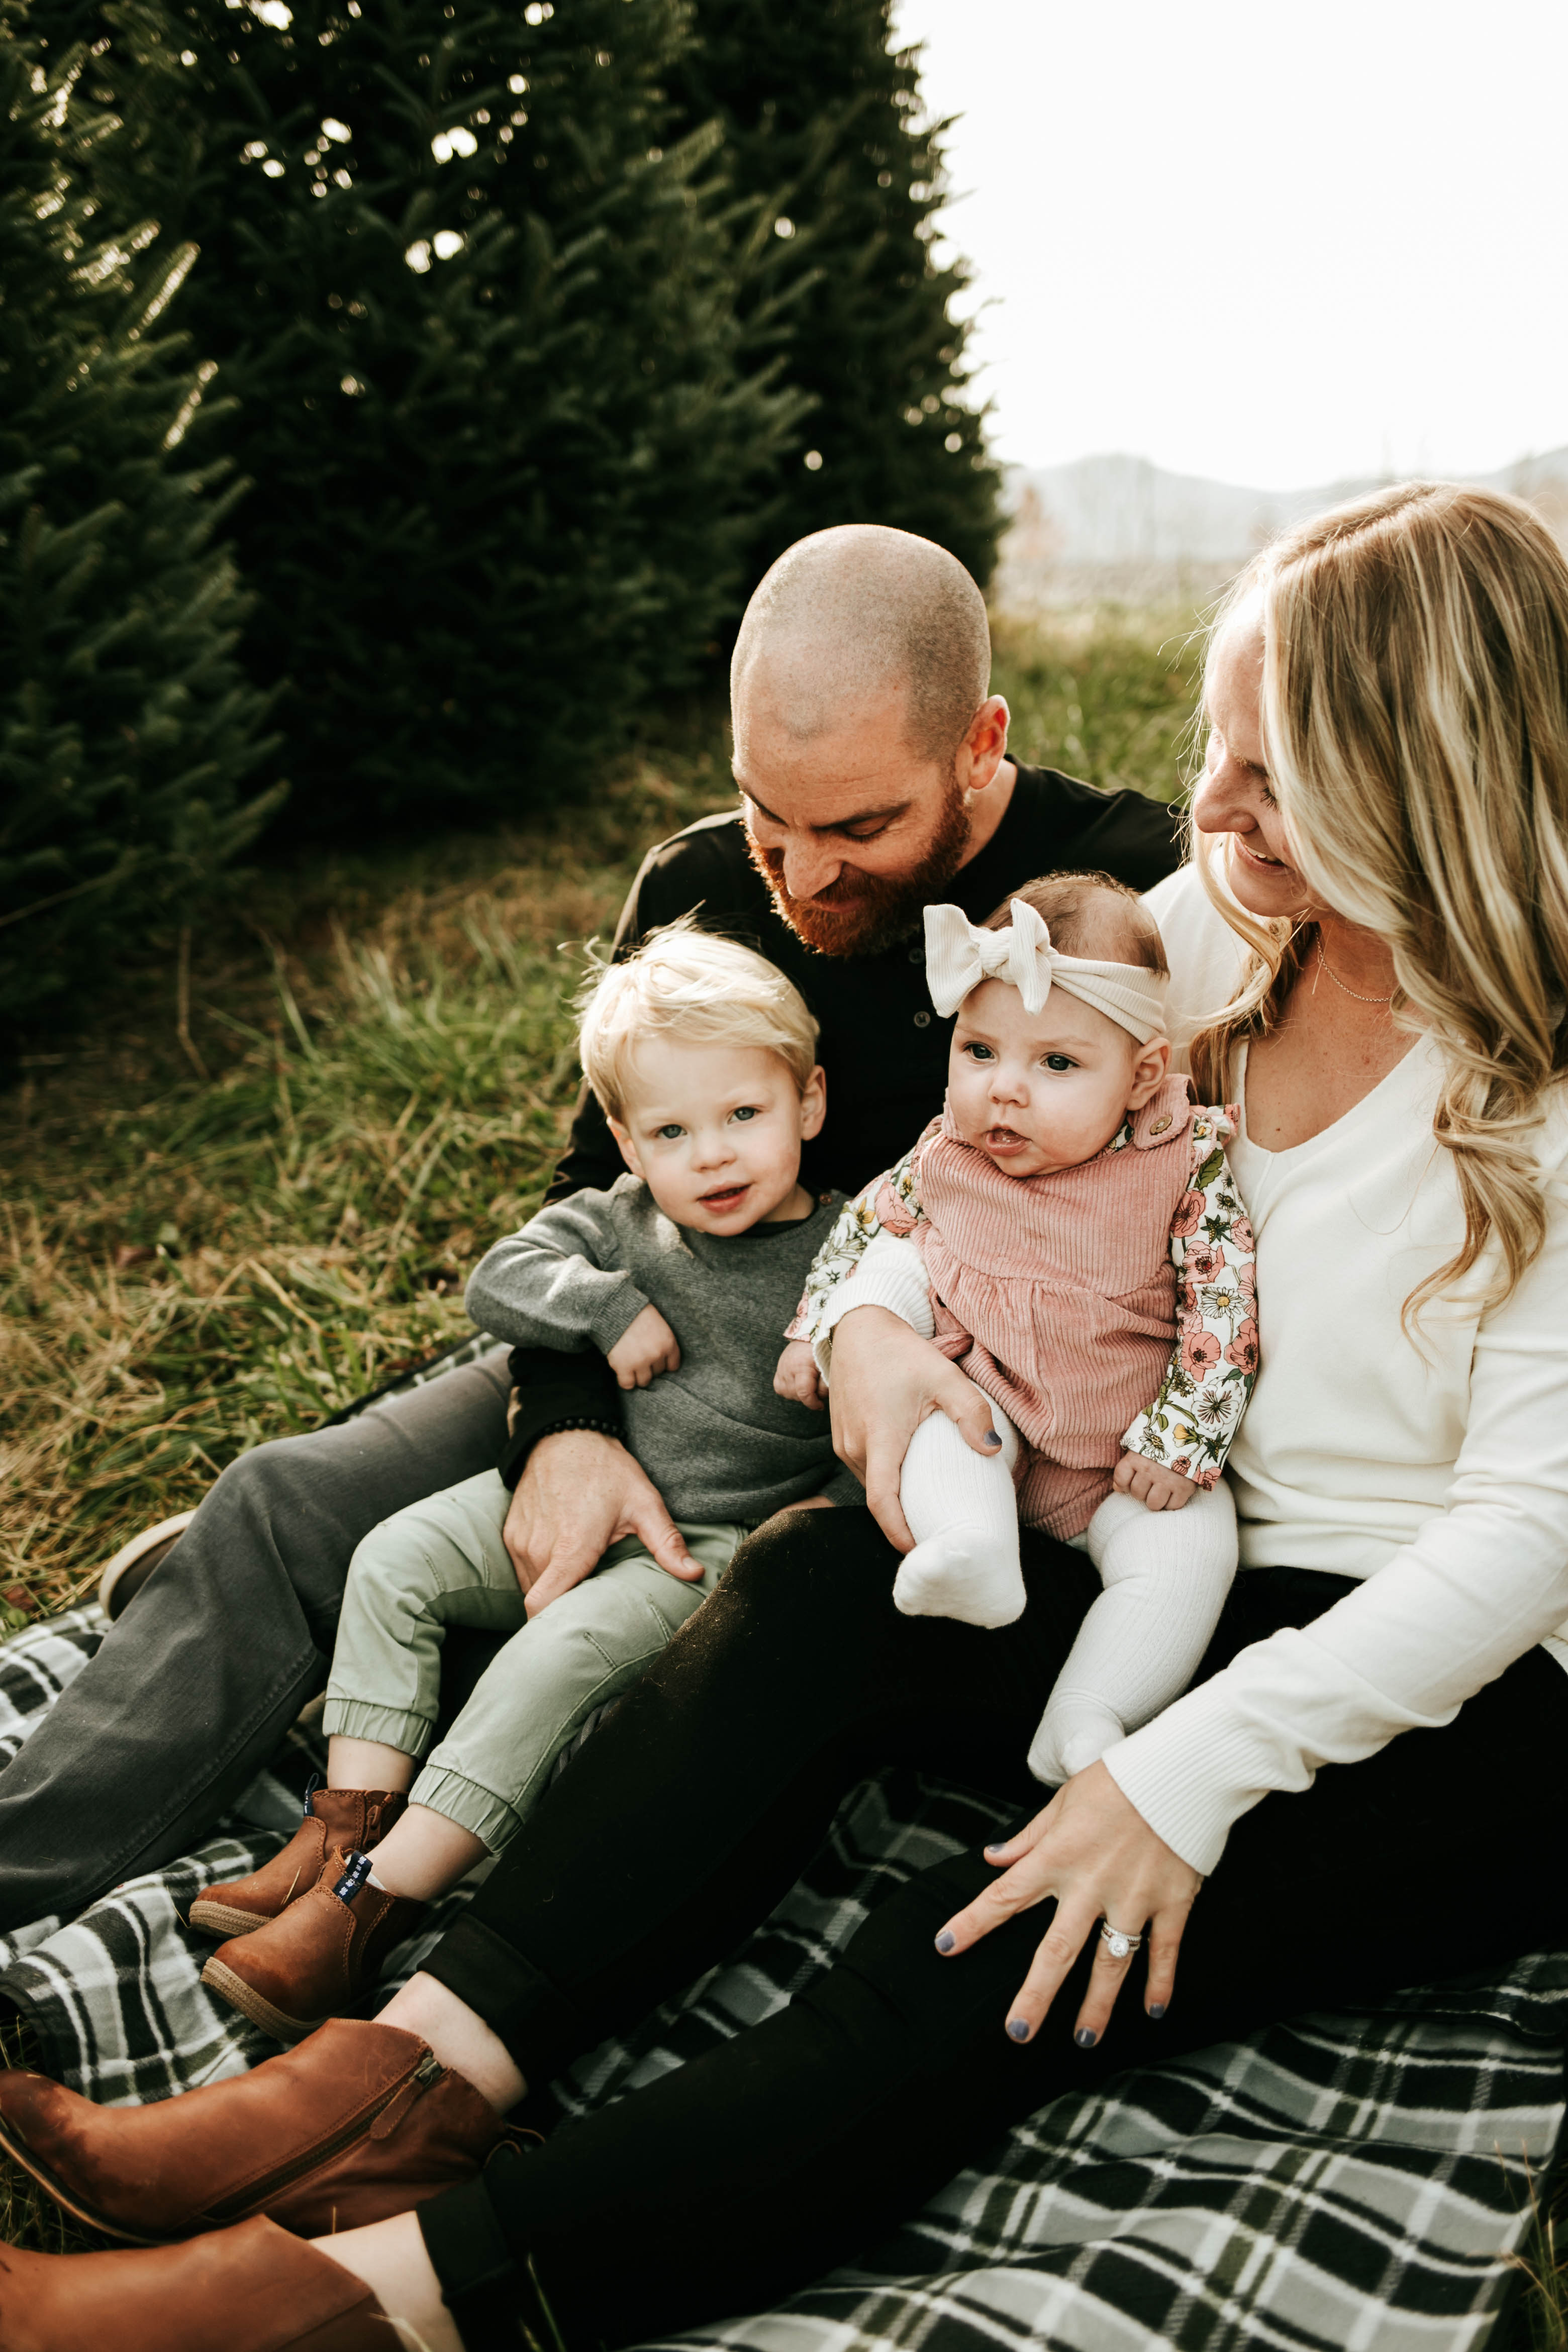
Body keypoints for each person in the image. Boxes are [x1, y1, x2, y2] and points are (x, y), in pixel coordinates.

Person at [10, 479, 1568, 2352]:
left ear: (1440, 787)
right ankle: (401, 2080)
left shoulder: (1541, 1073)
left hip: (1452, 1690)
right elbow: (952, 1178)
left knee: (1004, 1940)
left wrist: (1181, 1779)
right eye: (1217, 760)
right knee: (816, 1583)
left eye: (1277, 781)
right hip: (1154, 1524)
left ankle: (365, 2301)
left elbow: (1525, 1537)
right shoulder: (1208, 939)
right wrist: (888, 1328)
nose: (1216, 815)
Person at [0, 523, 1176, 1937]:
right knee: (285, 1500)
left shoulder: (1124, 892)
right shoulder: (695, 884)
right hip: (656, 1346)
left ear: (980, 743)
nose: (799, 877)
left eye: (859, 830)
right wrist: (562, 1423)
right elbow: (582, 1193)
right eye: (767, 815)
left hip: (938, 1443)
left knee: (704, 1648)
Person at [188, 925, 856, 2042]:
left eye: (745, 1114)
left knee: (550, 1659)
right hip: (572, 1498)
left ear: (812, 1102)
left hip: (704, 1552)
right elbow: (501, 1278)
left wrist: (823, 1518)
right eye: (673, 1131)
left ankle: (376, 1905)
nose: (715, 1156)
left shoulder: (847, 1254)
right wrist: (606, 1307)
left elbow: (885, 1405)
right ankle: (341, 1832)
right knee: (394, 1561)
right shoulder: (615, 1228)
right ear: (628, 1146)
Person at [778, 872, 1250, 1782]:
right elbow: (871, 1225)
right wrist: (818, 1326)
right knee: (943, 1436)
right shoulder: (947, 1154)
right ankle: (975, 1553)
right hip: (984, 1407)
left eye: (1057, 1065)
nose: (1005, 1092)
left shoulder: (1180, 1164)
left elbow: (1222, 1304)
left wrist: (1182, 1439)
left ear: (1142, 1074)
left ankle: (1090, 1712)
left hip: (1120, 1461)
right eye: (980, 1050)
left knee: (1194, 1550)